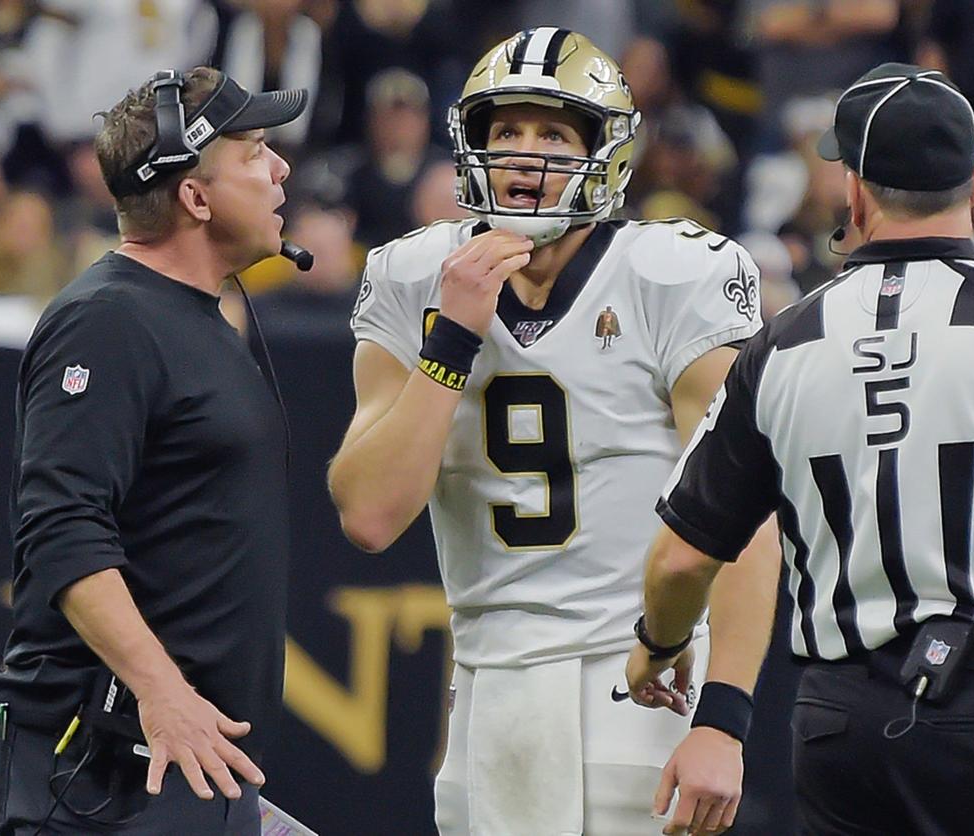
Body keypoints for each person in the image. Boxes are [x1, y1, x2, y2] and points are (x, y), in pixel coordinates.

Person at [329, 27, 780, 835]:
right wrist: (452, 339)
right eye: (505, 132)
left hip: (641, 683)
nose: (525, 155)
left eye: (553, 134)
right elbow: (369, 513)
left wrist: (723, 718)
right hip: (484, 694)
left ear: (602, 154)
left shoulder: (669, 274)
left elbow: (744, 518)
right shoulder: (413, 277)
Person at [626, 63, 974, 835]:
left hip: (844, 717)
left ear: (855, 192)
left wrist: (658, 645)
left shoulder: (782, 343)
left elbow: (682, 558)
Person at [0, 66, 307, 834]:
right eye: (257, 151)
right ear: (195, 197)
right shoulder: (107, 322)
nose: (282, 168)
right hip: (109, 769)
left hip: (184, 757)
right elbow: (61, 529)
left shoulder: (195, 315)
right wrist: (163, 693)